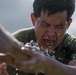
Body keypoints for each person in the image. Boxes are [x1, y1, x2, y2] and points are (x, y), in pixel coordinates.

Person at [0, 0, 76, 75]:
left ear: (68, 25)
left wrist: (47, 65)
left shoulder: (72, 46)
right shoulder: (15, 42)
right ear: (33, 19)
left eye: (59, 26)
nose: (51, 34)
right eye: (45, 24)